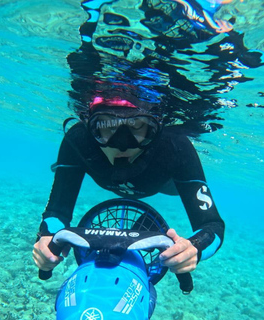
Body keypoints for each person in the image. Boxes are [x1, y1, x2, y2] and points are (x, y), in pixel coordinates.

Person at [32, 90, 225, 275]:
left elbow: (212, 225)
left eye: (137, 126)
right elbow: (57, 212)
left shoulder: (175, 146)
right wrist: (46, 238)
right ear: (90, 129)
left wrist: (195, 248)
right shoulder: (78, 140)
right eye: (107, 126)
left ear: (154, 129)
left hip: (168, 185)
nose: (122, 143)